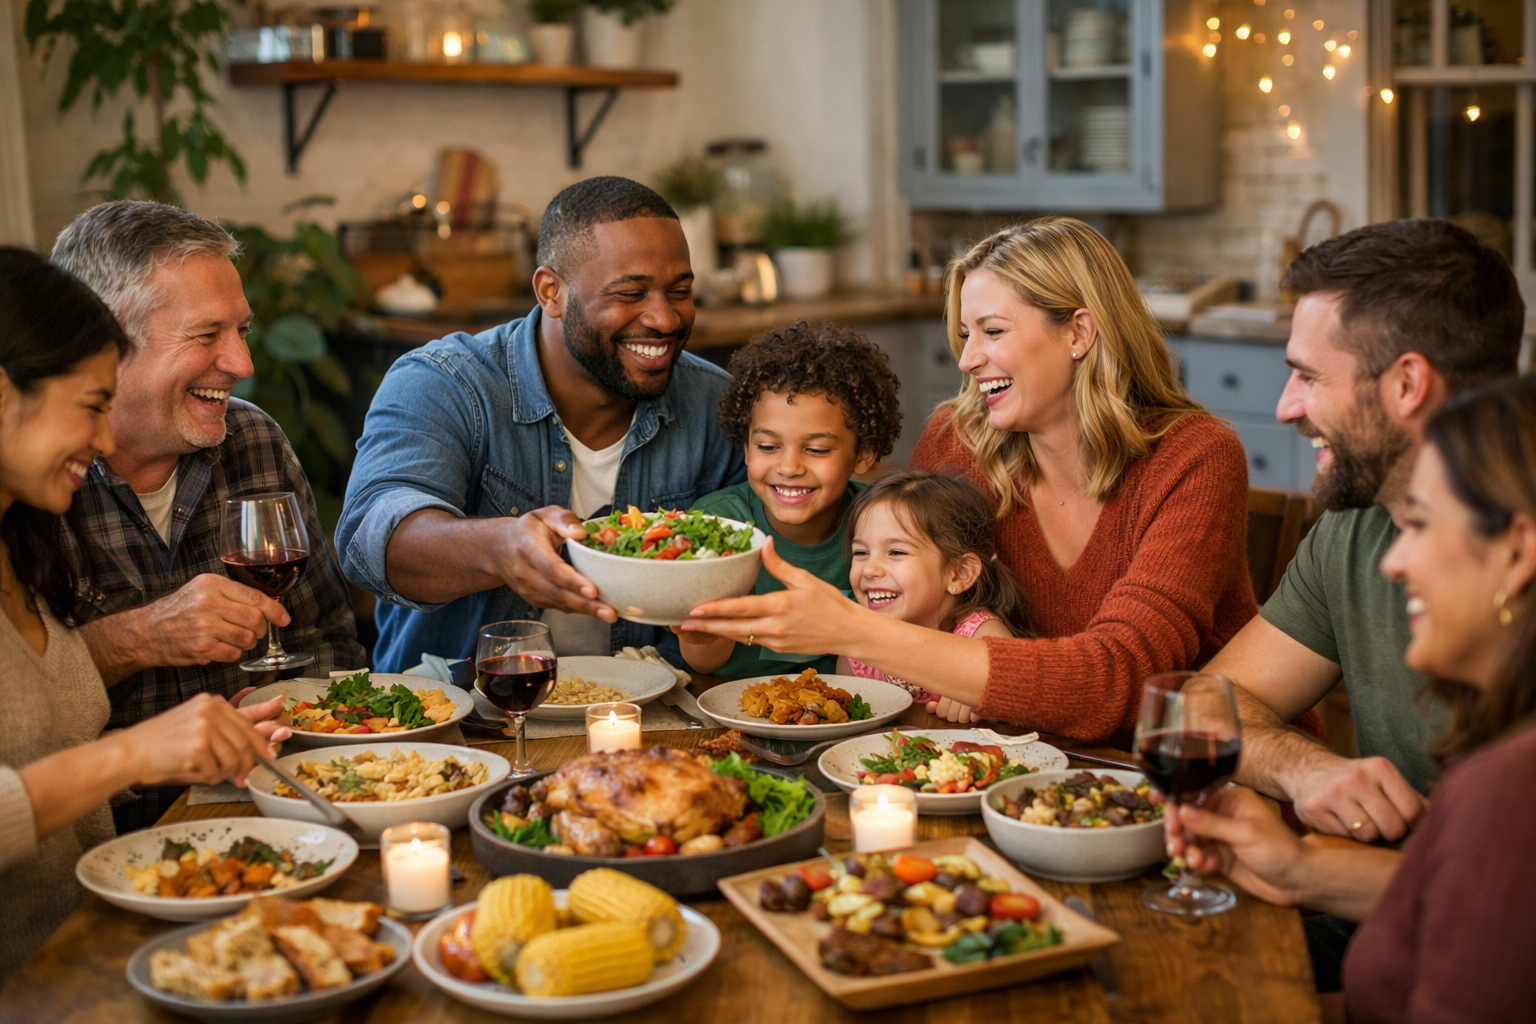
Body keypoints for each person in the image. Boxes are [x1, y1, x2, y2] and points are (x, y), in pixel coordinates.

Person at [684, 217, 1255, 746]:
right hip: (1006, 757)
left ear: (1079, 332)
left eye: (993, 331)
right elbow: (925, 607)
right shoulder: (957, 439)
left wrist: (851, 629)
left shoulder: (1194, 458)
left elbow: (1120, 682)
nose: (967, 359)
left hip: (1181, 769)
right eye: (965, 334)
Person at [1168, 376, 1536, 1024]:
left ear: (1517, 551)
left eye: (1421, 525)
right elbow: (1479, 906)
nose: (1393, 563)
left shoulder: (1502, 787)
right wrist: (1298, 869)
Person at [0, 248, 291, 983]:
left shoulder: (24, 542)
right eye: (90, 407)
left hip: (93, 950)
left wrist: (188, 748)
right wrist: (133, 753)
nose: (104, 443)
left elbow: (46, 753)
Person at [1201, 219, 1524, 848]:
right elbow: (1207, 705)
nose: (1285, 408)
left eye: (1310, 376)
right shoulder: (1356, 524)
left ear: (1407, 384)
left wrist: (1318, 872)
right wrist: (1303, 768)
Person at [338, 176, 744, 673]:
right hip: (461, 709)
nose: (664, 318)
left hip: (654, 708)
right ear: (551, 291)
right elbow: (370, 540)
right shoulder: (444, 382)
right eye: (630, 293)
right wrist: (501, 548)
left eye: (679, 291)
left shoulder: (715, 405)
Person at [50, 200, 365, 832]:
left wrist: (283, 707)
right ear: (104, 342)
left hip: (270, 819)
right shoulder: (30, 481)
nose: (242, 364)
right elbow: (19, 726)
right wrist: (136, 639)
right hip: (98, 843)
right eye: (206, 335)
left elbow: (328, 641)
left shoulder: (253, 439)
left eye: (242, 330)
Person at [675, 320, 902, 678]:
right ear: (746, 447)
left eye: (817, 449)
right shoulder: (714, 524)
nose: (789, 467)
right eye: (768, 446)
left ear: (864, 454)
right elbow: (701, 661)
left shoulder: (884, 525)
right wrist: (705, 633)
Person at [835, 471, 1031, 715]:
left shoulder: (983, 640)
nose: (869, 569)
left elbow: (1021, 708)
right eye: (861, 552)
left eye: (896, 552)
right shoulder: (857, 647)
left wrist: (985, 703)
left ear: (959, 574)